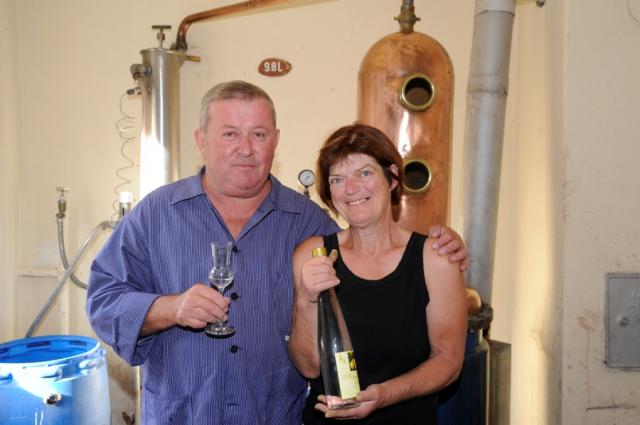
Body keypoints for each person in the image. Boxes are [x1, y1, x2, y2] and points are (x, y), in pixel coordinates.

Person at [86, 81, 467, 425]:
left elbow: (369, 248)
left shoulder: (309, 225)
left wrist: (444, 247)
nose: (246, 149)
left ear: (276, 141)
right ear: (201, 141)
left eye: (259, 134)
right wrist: (170, 308)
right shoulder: (156, 214)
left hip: (272, 415)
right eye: (230, 134)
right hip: (183, 414)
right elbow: (104, 301)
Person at [288, 124, 468, 424]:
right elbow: (308, 367)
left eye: (365, 173)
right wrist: (306, 300)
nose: (351, 188)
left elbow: (448, 361)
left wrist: (384, 395)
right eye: (337, 179)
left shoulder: (435, 258)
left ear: (392, 178)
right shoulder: (314, 255)